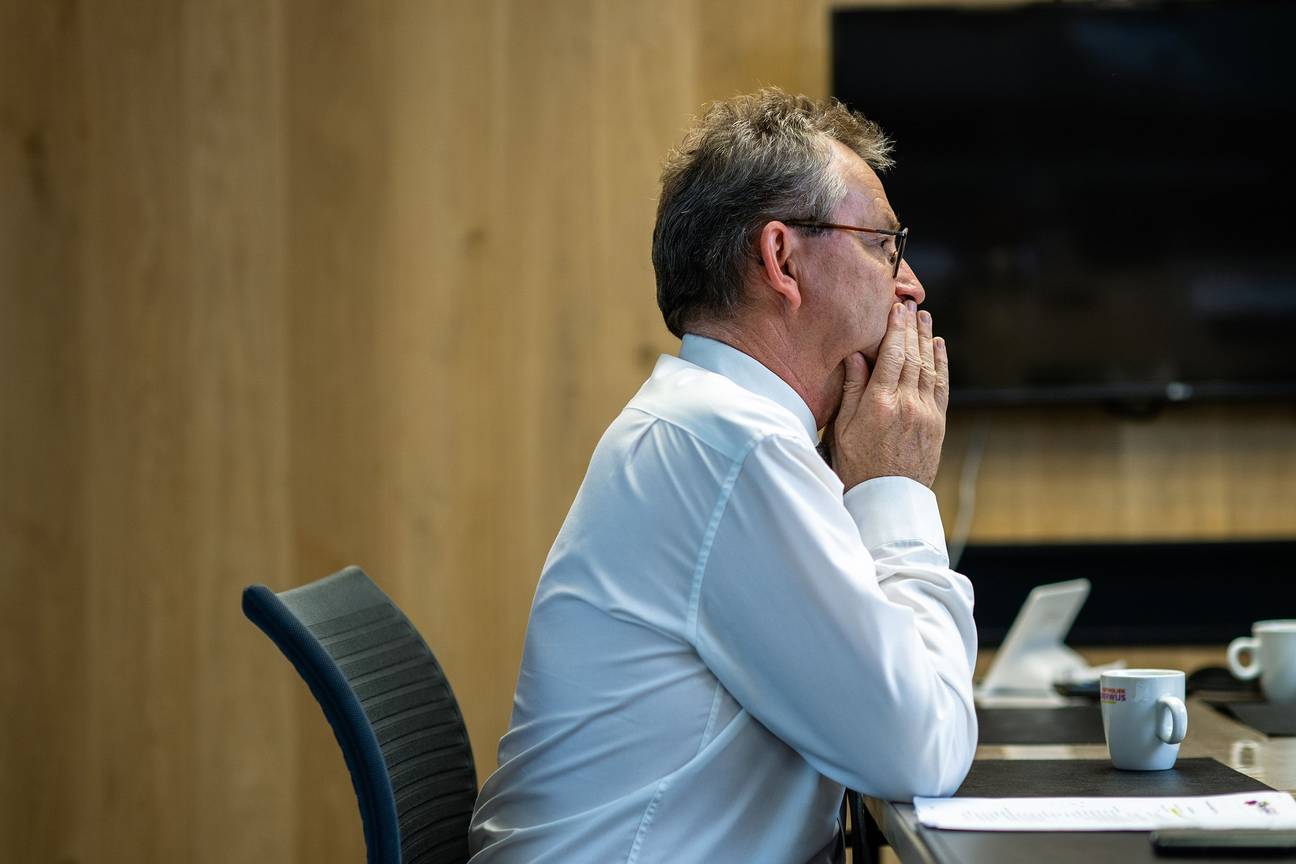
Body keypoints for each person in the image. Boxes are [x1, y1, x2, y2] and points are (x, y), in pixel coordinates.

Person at [468, 88, 977, 864]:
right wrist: (896, 491)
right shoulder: (730, 445)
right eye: (884, 246)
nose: (911, 286)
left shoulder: (718, 426)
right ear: (782, 259)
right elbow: (923, 749)